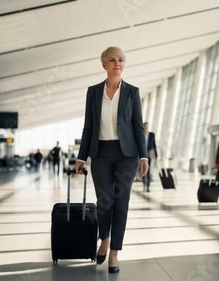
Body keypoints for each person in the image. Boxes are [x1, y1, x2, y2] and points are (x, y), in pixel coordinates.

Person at [73, 46, 148, 274]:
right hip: (101, 153)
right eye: (113, 60)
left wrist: (144, 155)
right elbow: (89, 126)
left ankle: (114, 251)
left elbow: (137, 125)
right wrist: (81, 157)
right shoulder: (93, 92)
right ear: (104, 65)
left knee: (121, 203)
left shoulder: (132, 92)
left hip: (127, 155)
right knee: (103, 202)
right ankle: (104, 238)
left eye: (121, 60)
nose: (118, 64)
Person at [142, 122, 158, 192]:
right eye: (145, 127)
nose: (146, 128)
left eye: (147, 127)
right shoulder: (141, 134)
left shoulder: (152, 135)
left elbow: (154, 145)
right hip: (142, 155)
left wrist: (156, 155)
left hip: (149, 154)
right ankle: (144, 185)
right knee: (143, 170)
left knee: (148, 170)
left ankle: (148, 186)